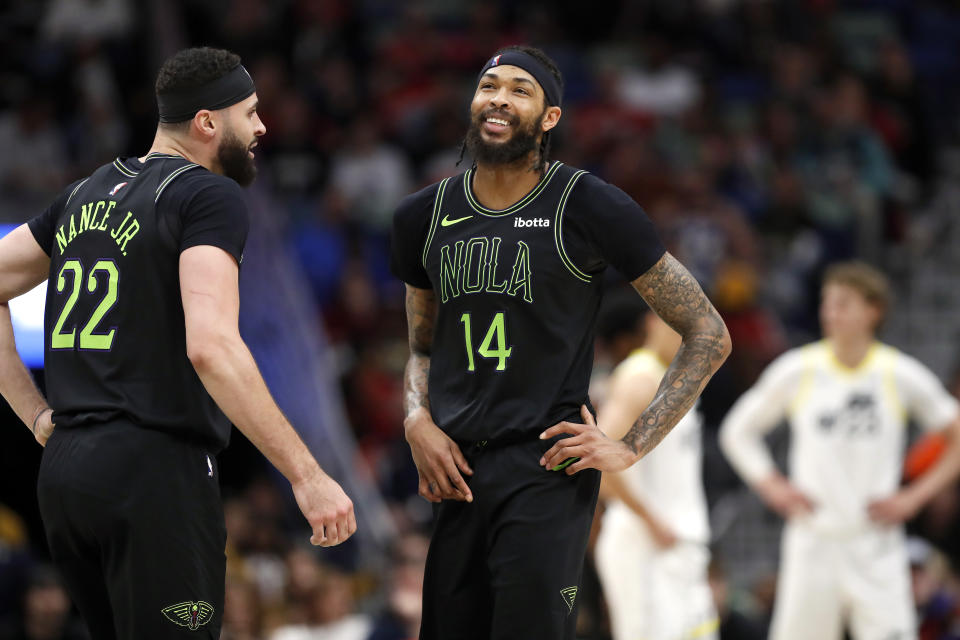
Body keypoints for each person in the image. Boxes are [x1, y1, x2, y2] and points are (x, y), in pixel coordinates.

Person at [0, 47, 356, 639]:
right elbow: (211, 347)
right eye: (251, 112)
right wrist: (307, 475)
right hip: (154, 470)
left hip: (66, 477)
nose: (263, 126)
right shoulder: (206, 196)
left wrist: (35, 415)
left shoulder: (87, 190)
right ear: (208, 123)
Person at [390, 45, 731, 640]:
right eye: (489, 85)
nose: (499, 97)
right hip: (457, 469)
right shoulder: (423, 215)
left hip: (545, 465)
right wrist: (416, 418)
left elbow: (708, 332)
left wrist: (629, 445)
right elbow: (421, 346)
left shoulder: (587, 204)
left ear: (550, 118)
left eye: (520, 89)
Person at [719, 261, 960, 640]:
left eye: (843, 303)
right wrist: (771, 485)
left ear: (873, 310)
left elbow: (956, 435)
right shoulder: (799, 368)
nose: (830, 313)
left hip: (876, 541)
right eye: (827, 303)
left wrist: (914, 498)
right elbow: (736, 432)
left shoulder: (899, 373)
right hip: (813, 537)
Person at [593, 300, 718, 640]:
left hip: (677, 544)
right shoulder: (640, 378)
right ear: (653, 322)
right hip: (646, 545)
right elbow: (600, 464)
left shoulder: (675, 375)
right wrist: (649, 518)